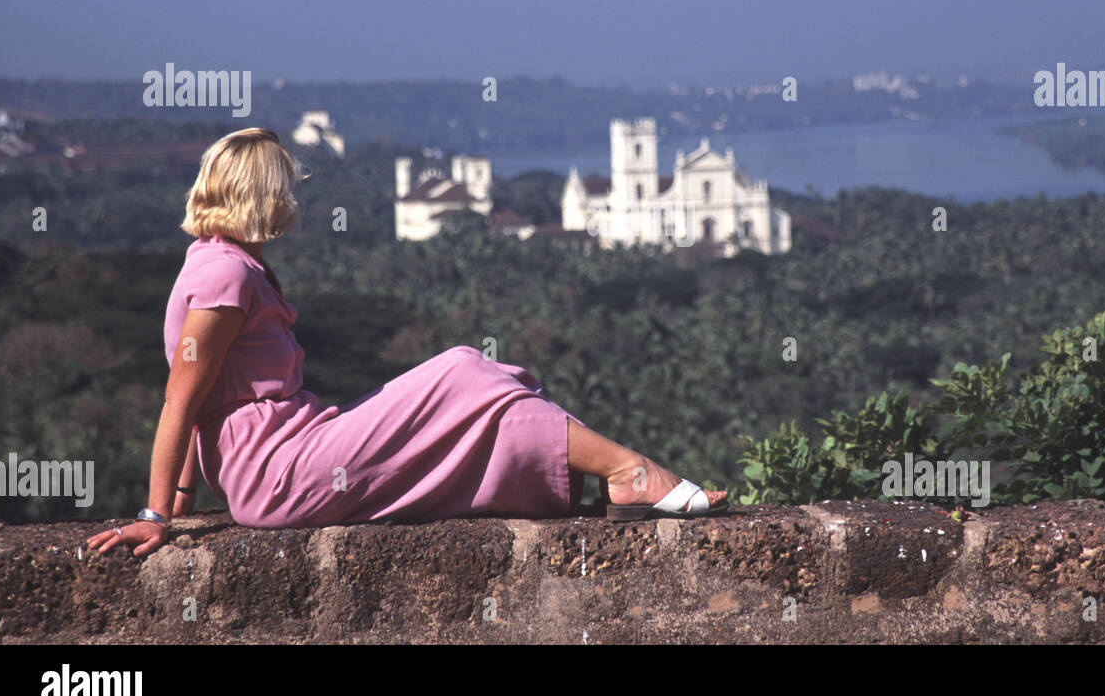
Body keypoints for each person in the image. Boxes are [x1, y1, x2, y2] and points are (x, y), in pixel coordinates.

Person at [87, 128, 727, 557]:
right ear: (262, 194)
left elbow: (208, 402)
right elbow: (182, 401)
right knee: (460, 367)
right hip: (279, 471)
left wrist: (185, 496)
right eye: (284, 186)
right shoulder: (226, 273)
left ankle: (625, 477)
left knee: (495, 413)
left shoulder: (214, 259)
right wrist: (158, 512)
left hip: (286, 452)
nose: (292, 199)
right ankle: (631, 469)